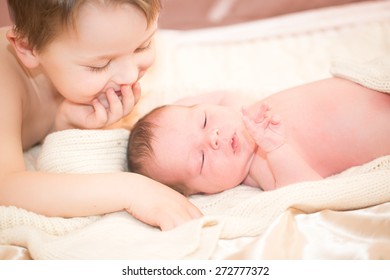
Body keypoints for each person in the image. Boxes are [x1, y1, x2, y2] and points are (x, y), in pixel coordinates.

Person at [0, 0, 202, 231]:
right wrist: (132, 190)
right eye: (100, 65)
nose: (130, 74)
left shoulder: (69, 57)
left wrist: (63, 124)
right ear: (27, 48)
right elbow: (5, 187)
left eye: (142, 46)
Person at [127, 77, 390, 195]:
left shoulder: (240, 109)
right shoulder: (261, 169)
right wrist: (276, 148)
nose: (213, 138)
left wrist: (177, 110)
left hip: (369, 79)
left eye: (204, 120)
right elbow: (309, 191)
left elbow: (214, 98)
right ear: (203, 193)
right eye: (202, 159)